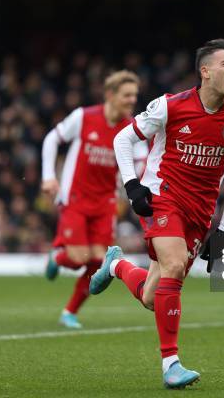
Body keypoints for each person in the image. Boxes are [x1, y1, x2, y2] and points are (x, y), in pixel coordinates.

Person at [89, 39, 224, 389]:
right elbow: (123, 139)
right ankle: (171, 364)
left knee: (153, 296)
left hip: (200, 210)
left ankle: (117, 265)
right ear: (205, 71)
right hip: (161, 196)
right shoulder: (169, 106)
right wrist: (133, 186)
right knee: (176, 264)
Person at [41, 70, 146, 329]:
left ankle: (69, 312)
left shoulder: (131, 128)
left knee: (100, 261)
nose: (132, 100)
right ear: (110, 95)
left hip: (105, 203)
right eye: (127, 95)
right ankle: (57, 258)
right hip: (75, 198)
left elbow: (143, 159)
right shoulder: (84, 116)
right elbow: (52, 139)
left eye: (135, 95)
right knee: (77, 258)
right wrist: (48, 176)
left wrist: (137, 184)